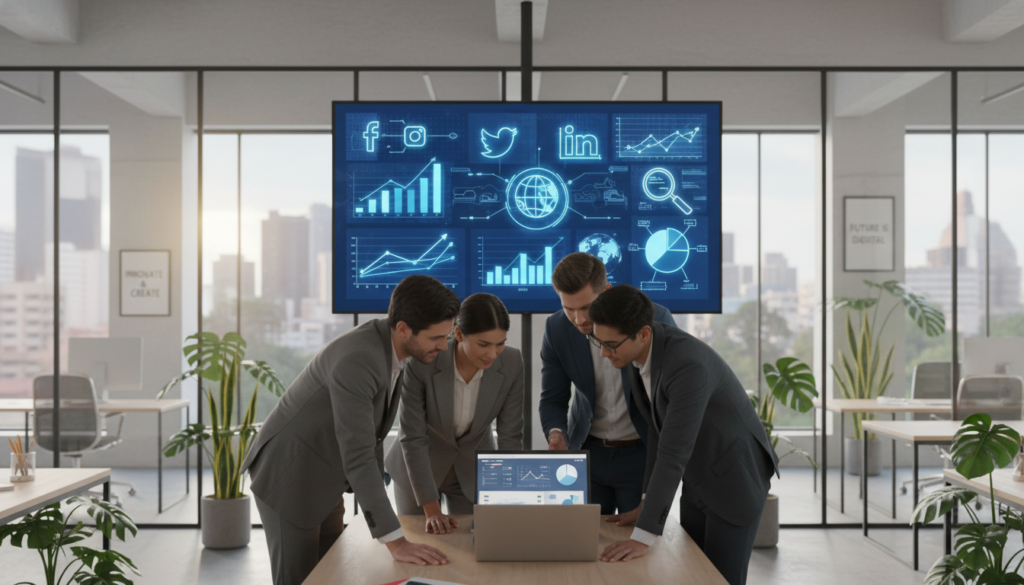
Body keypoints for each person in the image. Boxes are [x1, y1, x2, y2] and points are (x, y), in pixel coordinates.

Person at [240, 275, 461, 585]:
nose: (443, 345)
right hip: (291, 476)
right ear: (403, 328)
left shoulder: (390, 349)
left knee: (329, 575)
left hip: (326, 475)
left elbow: (370, 435)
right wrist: (396, 542)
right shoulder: (360, 358)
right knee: (299, 579)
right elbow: (358, 453)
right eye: (436, 337)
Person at [587, 285, 778, 585]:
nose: (603, 353)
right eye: (598, 341)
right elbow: (656, 431)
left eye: (610, 345)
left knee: (720, 578)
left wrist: (644, 536)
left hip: (734, 482)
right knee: (692, 574)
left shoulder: (687, 364)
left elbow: (673, 451)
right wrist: (646, 503)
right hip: (699, 478)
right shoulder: (636, 352)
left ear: (644, 334)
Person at [538, 252, 676, 515]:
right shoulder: (556, 328)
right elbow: (553, 398)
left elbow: (668, 400)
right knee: (583, 541)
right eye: (569, 309)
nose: (579, 320)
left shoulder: (655, 319)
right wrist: (556, 433)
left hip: (641, 453)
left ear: (607, 291)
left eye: (586, 308)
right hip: (587, 453)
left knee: (635, 545)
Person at [385, 293, 524, 534]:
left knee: (473, 546)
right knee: (419, 542)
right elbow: (413, 437)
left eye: (499, 343)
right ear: (459, 334)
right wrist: (432, 509)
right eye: (483, 344)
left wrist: (507, 499)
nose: (493, 354)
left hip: (472, 469)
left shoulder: (512, 362)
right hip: (417, 467)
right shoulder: (422, 362)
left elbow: (510, 436)